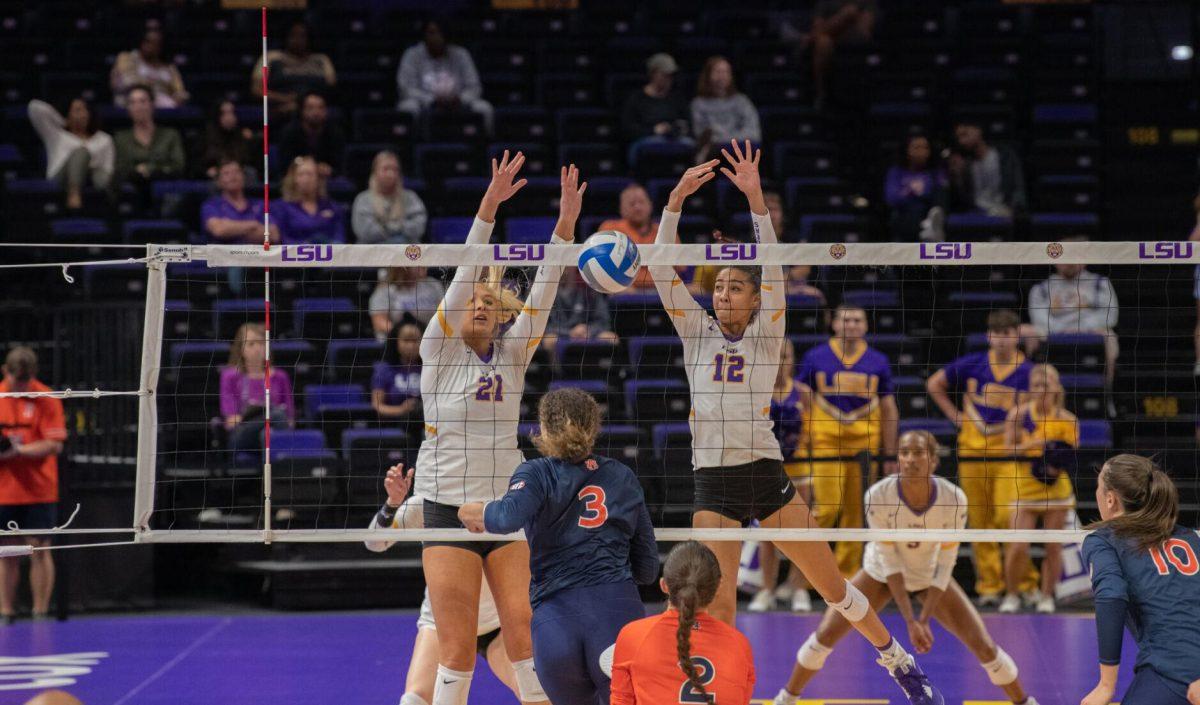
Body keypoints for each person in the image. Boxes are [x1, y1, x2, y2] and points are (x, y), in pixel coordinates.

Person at [651, 143, 941, 704]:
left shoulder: (766, 334)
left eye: (736, 287)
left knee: (833, 587)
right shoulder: (696, 333)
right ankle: (723, 691)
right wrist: (675, 201)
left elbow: (772, 264)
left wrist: (757, 200)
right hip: (713, 480)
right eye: (719, 287)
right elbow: (662, 270)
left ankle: (898, 661)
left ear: (757, 301)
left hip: (765, 474)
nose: (724, 293)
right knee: (721, 602)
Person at [411, 153, 580, 705]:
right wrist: (489, 206)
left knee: (526, 636)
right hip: (445, 506)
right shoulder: (436, 349)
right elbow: (465, 272)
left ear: (503, 314)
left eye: (490, 302)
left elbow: (547, 289)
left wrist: (565, 227)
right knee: (457, 650)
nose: (479, 306)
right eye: (472, 302)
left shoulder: (513, 355)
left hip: (504, 507)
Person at [774, 431, 1040, 705]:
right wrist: (911, 622)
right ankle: (786, 698)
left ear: (934, 460)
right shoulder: (879, 495)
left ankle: (1025, 701)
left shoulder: (954, 499)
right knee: (825, 634)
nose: (910, 459)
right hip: (880, 575)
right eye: (904, 452)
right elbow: (890, 563)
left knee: (984, 646)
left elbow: (947, 562)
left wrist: (923, 620)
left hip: (928, 574)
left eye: (918, 452)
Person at [458, 387, 660, 705]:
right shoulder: (622, 476)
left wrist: (474, 511)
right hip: (617, 614)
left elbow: (507, 516)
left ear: (543, 429)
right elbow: (648, 569)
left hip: (557, 625)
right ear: (594, 426)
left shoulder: (536, 473)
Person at [365, 465, 519, 705]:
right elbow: (374, 543)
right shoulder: (426, 503)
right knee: (413, 701)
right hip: (441, 622)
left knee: (537, 693)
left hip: (496, 625)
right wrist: (393, 503)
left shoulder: (501, 499)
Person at [926, 309, 1033, 607]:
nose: (1001, 340)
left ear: (1016, 336)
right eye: (996, 334)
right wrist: (954, 415)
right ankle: (990, 585)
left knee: (1007, 518)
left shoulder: (1029, 371)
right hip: (972, 452)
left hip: (1009, 456)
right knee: (980, 521)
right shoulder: (972, 363)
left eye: (1007, 334)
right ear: (989, 336)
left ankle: (1024, 582)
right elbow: (934, 384)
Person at [1081, 454, 1200, 705]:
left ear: (1110, 499)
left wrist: (1105, 685)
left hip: (1172, 673)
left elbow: (1111, 595)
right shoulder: (1189, 537)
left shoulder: (1103, 540)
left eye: (1098, 487)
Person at [797, 303, 900, 576]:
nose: (851, 325)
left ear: (866, 326)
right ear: (834, 323)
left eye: (857, 320)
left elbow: (889, 408)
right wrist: (803, 438)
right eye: (846, 320)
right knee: (827, 509)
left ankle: (846, 578)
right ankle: (809, 576)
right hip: (825, 443)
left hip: (864, 446)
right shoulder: (815, 356)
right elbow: (802, 400)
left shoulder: (878, 360)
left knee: (857, 514)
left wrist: (890, 453)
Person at [610, 541, 755, 705]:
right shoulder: (740, 645)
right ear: (718, 587)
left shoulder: (633, 636)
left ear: (664, 585)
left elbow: (621, 702)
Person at [998, 364, 1078, 615]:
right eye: (1036, 385)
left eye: (1045, 384)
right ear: (1029, 389)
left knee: (1052, 546)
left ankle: (1046, 597)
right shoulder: (1019, 415)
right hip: (1025, 487)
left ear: (1055, 388)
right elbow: (1005, 450)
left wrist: (1054, 459)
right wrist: (1033, 444)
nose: (1041, 389)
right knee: (1018, 546)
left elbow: (1070, 457)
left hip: (1056, 489)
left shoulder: (1068, 419)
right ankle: (1011, 595)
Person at [0, 347, 66, 624]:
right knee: (6, 552)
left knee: (39, 548)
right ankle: (6, 612)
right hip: (4, 490)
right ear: (6, 371)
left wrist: (20, 452)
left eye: (25, 382)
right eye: (17, 381)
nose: (21, 387)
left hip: (39, 488)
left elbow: (54, 444)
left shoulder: (47, 397)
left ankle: (40, 611)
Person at [750, 339, 815, 614]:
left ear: (792, 359)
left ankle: (799, 588)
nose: (779, 362)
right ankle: (767, 590)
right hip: (767, 470)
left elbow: (813, 434)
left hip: (799, 471)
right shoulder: (755, 391)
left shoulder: (803, 393)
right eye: (774, 356)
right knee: (767, 534)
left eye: (785, 355)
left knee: (803, 532)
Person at [1026, 256, 1120, 388]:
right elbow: (1038, 317)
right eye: (1065, 258)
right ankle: (1032, 392)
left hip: (1090, 330)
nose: (1069, 262)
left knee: (1110, 336)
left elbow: (1110, 316)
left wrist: (1082, 327)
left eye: (1073, 257)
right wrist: (1062, 329)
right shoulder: (1041, 288)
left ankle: (1108, 392)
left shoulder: (1100, 283)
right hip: (1053, 331)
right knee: (1027, 333)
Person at [397, 20, 493, 135]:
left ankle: (484, 144)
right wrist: (432, 100)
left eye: (439, 33)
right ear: (424, 35)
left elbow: (474, 87)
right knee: (408, 108)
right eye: (431, 32)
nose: (436, 37)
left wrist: (460, 99)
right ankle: (413, 146)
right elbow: (405, 88)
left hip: (457, 102)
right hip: (424, 102)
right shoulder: (412, 55)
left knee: (484, 108)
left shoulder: (461, 54)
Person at [220, 323, 295, 458]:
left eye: (261, 343)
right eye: (251, 344)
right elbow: (232, 420)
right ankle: (283, 471)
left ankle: (273, 472)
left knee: (267, 433)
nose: (257, 348)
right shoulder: (230, 376)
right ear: (240, 348)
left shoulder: (280, 376)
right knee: (276, 415)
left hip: (272, 432)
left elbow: (289, 419)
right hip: (241, 434)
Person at [27, 97, 113, 210]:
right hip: (60, 179)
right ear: (68, 114)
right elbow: (34, 106)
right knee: (81, 152)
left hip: (91, 180)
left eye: (85, 110)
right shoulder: (57, 135)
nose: (83, 114)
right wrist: (63, 121)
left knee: (105, 178)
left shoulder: (104, 139)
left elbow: (107, 167)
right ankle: (74, 193)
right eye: (77, 110)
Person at [251, 20, 337, 121]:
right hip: (281, 108)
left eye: (302, 36)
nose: (298, 40)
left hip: (316, 109)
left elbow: (331, 85)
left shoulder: (321, 59)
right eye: (293, 35)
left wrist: (304, 104)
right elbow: (256, 90)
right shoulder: (270, 57)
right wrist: (285, 99)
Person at [621, 53, 692, 167]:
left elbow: (688, 124)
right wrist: (654, 130)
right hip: (646, 140)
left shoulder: (677, 99)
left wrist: (676, 128)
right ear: (653, 73)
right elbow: (628, 129)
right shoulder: (637, 99)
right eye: (664, 75)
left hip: (675, 140)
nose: (668, 79)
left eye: (671, 75)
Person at [947, 121, 1027, 218]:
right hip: (975, 214)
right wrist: (958, 177)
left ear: (978, 131)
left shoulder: (1005, 156)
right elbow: (963, 200)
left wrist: (1013, 209)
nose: (961, 141)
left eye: (965, 134)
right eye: (958, 138)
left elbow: (1018, 188)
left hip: (1002, 211)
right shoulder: (966, 164)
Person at [112, 85, 185, 192]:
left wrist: (151, 169)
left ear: (152, 104)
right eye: (132, 102)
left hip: (165, 190)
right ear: (128, 108)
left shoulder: (170, 134)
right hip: (132, 189)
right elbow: (120, 168)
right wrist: (137, 172)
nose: (138, 107)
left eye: (142, 101)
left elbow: (178, 166)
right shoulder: (120, 138)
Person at [691, 56, 761, 161]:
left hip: (739, 155)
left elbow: (754, 133)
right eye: (718, 72)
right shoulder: (698, 104)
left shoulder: (742, 101)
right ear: (708, 75)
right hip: (711, 157)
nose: (722, 76)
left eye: (726, 72)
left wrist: (723, 140)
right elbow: (700, 134)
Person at [351, 151, 428, 245]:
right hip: (373, 252)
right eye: (386, 169)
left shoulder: (411, 198)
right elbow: (364, 232)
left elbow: (419, 227)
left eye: (395, 169)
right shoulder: (363, 199)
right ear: (375, 171)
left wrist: (392, 227)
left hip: (404, 250)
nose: (391, 174)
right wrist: (394, 228)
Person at [541, 269, 619, 357]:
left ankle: (604, 369)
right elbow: (543, 326)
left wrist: (588, 329)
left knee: (612, 338)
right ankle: (555, 371)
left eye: (568, 267)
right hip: (561, 333)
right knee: (549, 339)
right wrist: (569, 332)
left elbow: (603, 321)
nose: (565, 271)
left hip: (587, 332)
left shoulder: (590, 289)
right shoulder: (546, 291)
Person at [598, 182, 661, 289]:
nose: (637, 207)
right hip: (623, 290)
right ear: (621, 209)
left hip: (661, 290)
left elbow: (680, 267)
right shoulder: (610, 229)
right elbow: (602, 267)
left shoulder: (663, 230)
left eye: (641, 202)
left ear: (650, 205)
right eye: (632, 203)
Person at [886, 134, 947, 241]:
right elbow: (891, 198)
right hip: (905, 216)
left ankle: (932, 226)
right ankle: (927, 228)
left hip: (927, 212)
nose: (922, 152)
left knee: (940, 195)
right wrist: (911, 192)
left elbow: (940, 197)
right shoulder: (896, 172)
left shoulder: (935, 172)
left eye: (925, 147)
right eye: (917, 148)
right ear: (907, 150)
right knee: (909, 211)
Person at [110, 26, 189, 109]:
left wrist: (178, 98)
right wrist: (154, 95)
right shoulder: (127, 58)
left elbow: (180, 91)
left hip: (164, 107)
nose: (150, 46)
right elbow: (128, 82)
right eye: (147, 42)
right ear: (141, 43)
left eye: (155, 43)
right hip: (132, 103)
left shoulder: (169, 67)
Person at [202, 159, 278, 244]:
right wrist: (253, 225)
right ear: (219, 181)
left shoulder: (260, 205)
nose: (233, 176)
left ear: (244, 177)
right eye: (226, 173)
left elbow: (274, 235)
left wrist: (230, 226)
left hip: (255, 255)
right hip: (223, 255)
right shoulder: (212, 205)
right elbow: (219, 230)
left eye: (237, 172)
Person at [275, 156, 346, 245]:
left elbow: (339, 238)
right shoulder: (281, 207)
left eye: (309, 174)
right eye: (301, 174)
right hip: (294, 255)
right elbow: (282, 238)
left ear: (318, 178)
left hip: (329, 255)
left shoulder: (333, 207)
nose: (306, 179)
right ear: (294, 179)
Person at [371, 319, 423, 437]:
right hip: (394, 426)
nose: (411, 345)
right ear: (396, 342)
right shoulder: (384, 369)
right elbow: (377, 406)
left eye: (416, 340)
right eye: (406, 340)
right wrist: (401, 410)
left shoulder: (430, 369)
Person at [277, 92, 345, 179]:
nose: (316, 112)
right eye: (310, 108)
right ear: (302, 111)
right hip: (296, 177)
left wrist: (330, 170)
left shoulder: (335, 133)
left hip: (326, 179)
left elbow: (339, 166)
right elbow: (284, 165)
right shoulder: (289, 133)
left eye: (320, 108)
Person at [369, 267, 445, 339]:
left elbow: (445, 314)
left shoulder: (433, 285)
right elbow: (379, 322)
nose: (423, 266)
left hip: (431, 337)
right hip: (398, 340)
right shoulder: (385, 290)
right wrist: (404, 334)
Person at [198, 100, 255, 180]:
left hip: (238, 170)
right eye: (224, 113)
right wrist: (206, 171)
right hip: (216, 173)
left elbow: (248, 160)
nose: (229, 117)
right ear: (217, 116)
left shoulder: (242, 135)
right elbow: (198, 163)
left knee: (250, 172)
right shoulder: (206, 136)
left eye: (232, 113)